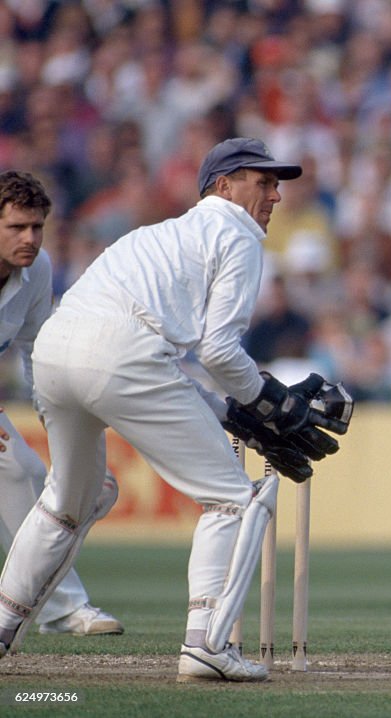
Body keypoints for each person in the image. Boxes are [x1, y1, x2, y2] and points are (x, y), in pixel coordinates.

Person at [0, 138, 344, 683]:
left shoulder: (157, 234)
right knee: (233, 498)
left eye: (278, 185)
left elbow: (157, 361)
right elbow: (217, 350)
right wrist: (268, 402)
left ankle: (1, 626)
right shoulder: (239, 234)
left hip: (57, 353)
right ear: (224, 187)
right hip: (119, 357)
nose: (276, 196)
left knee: (69, 500)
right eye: (265, 182)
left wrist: (232, 413)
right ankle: (206, 645)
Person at [0, 170, 124, 638]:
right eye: (16, 227)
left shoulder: (37, 271)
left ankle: (60, 608)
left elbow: (38, 357)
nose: (29, 239)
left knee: (25, 473)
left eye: (37, 227)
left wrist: (71, 451)